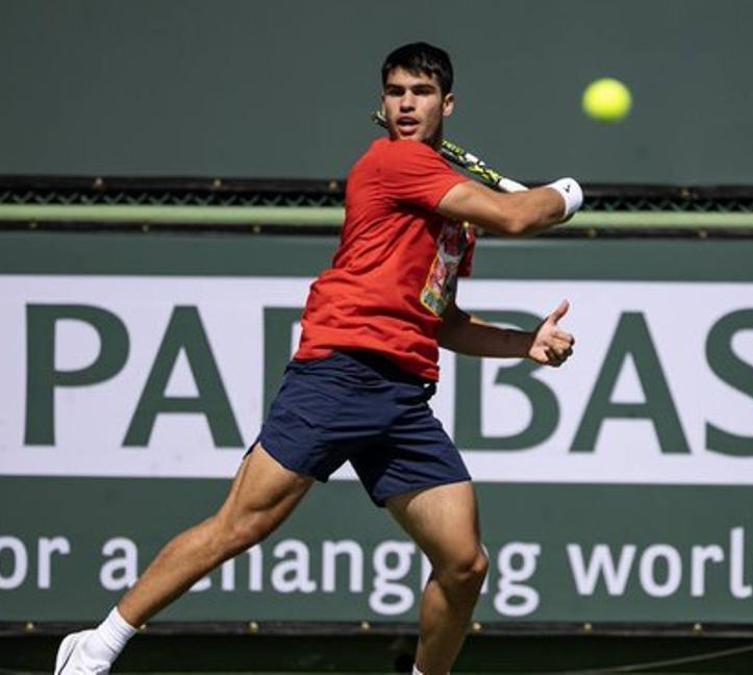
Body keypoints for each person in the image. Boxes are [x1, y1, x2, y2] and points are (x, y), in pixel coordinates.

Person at [55, 42, 583, 675]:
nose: (405, 104)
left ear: (447, 104)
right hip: (339, 371)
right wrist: (569, 193)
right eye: (395, 92)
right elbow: (517, 216)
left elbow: (436, 319)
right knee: (240, 527)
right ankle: (95, 646)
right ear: (383, 104)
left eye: (419, 92)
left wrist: (523, 342)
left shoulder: (450, 219)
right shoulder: (396, 162)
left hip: (401, 396)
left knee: (464, 563)